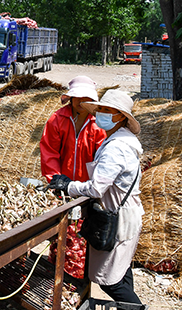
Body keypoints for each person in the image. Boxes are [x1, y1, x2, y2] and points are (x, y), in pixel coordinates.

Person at [52, 89, 144, 305]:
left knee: (110, 281)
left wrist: (67, 185)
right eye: (100, 108)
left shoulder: (117, 148)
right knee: (121, 271)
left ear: (121, 117)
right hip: (124, 213)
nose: (101, 113)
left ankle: (137, 308)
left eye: (107, 110)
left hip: (118, 218)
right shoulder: (119, 139)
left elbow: (96, 189)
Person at [40, 75, 106, 274]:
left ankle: (77, 278)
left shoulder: (98, 124)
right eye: (78, 98)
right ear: (70, 98)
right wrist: (56, 180)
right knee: (61, 235)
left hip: (88, 189)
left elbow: (102, 157)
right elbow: (49, 152)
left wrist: (93, 185)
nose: (82, 103)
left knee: (82, 237)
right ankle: (56, 273)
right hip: (62, 187)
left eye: (87, 99)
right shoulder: (58, 119)